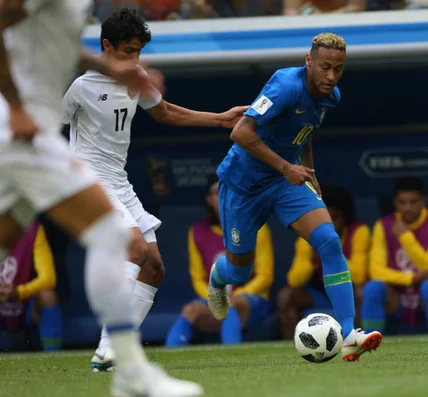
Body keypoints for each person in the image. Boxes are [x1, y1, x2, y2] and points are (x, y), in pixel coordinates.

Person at [0, 1, 202, 396]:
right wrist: (19, 107)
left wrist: (110, 68)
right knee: (114, 237)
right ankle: (125, 366)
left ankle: (123, 365)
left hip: (30, 132)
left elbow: (54, 46)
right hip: (19, 130)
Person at [62, 7, 247, 372]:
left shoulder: (137, 77)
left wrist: (221, 118)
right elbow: (46, 124)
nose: (135, 59)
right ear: (106, 46)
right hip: (89, 180)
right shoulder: (81, 87)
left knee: (155, 268)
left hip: (119, 181)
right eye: (128, 51)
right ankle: (111, 346)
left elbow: (164, 113)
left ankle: (112, 349)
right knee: (135, 250)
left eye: (139, 52)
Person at [209, 32, 382, 362]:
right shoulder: (285, 85)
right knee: (239, 272)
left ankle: (348, 334)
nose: (331, 76)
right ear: (309, 61)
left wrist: (308, 170)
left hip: (284, 182)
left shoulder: (331, 96)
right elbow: (240, 132)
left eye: (338, 69)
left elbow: (303, 134)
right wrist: (286, 166)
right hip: (243, 186)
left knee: (329, 241)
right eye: (325, 67)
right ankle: (218, 279)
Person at [165, 175, 274, 346]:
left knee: (233, 304)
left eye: (228, 191)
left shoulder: (256, 227)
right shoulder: (197, 232)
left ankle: (232, 356)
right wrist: (216, 297)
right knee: (190, 310)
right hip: (213, 299)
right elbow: (198, 278)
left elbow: (265, 276)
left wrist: (232, 296)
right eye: (217, 193)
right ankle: (169, 362)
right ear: (209, 199)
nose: (223, 197)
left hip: (251, 299)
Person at [361, 177, 428, 335]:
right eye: (402, 202)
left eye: (413, 202)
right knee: (372, 287)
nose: (408, 208)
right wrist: (411, 279)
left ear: (423, 201)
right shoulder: (382, 225)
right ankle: (369, 342)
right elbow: (375, 271)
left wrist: (405, 238)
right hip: (397, 293)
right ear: (395, 203)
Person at [277, 185, 370, 339]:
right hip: (318, 295)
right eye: (326, 216)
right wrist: (313, 260)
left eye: (335, 216)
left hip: (347, 295)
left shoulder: (359, 231)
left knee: (363, 291)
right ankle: (294, 343)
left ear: (345, 217)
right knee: (285, 295)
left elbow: (359, 275)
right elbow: (294, 279)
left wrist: (330, 252)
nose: (330, 222)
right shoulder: (309, 235)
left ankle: (355, 340)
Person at [0, 221, 62, 352]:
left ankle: (52, 358)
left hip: (24, 303)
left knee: (47, 294)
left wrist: (19, 293)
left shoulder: (32, 229)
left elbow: (48, 278)